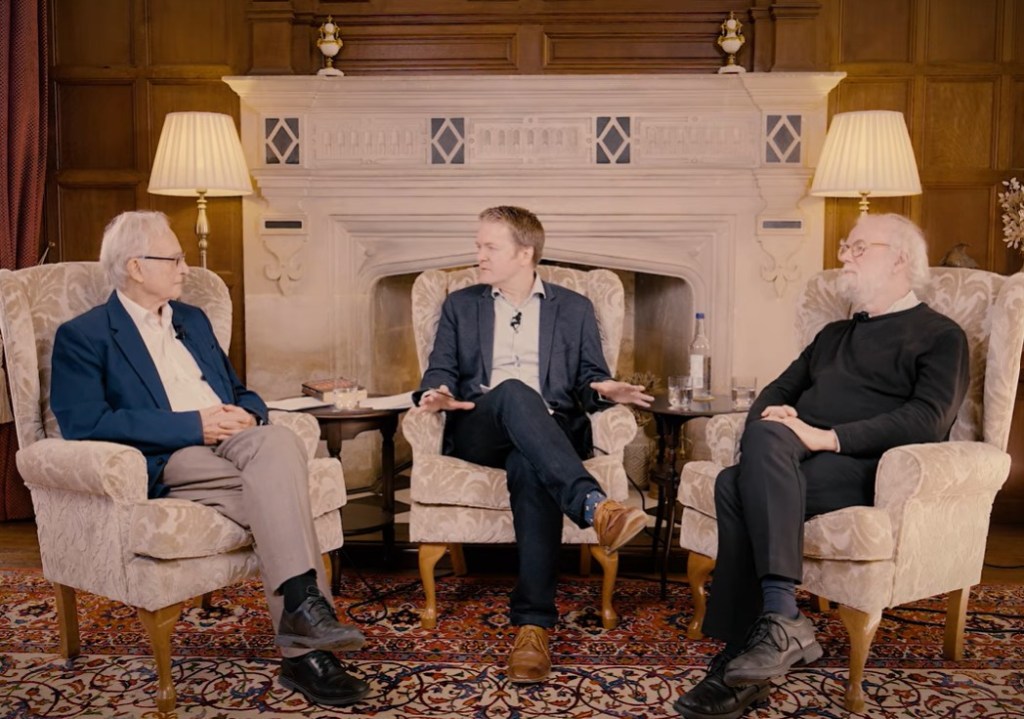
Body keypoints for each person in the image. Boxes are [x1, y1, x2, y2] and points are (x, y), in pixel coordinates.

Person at [50, 211, 370, 708]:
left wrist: (248, 414)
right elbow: (84, 423)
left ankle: (301, 613)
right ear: (135, 266)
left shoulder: (193, 320)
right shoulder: (85, 335)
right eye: (173, 259)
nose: (185, 268)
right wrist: (193, 426)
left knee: (280, 442)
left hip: (234, 440)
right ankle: (305, 648)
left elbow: (240, 390)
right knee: (282, 493)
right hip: (173, 453)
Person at [674, 213, 970, 719]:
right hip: (792, 459)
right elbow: (776, 391)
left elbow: (929, 418)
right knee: (758, 441)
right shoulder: (832, 335)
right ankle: (772, 631)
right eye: (844, 247)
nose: (844, 256)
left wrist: (827, 437)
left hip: (865, 467)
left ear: (900, 259)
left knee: (732, 484)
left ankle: (750, 647)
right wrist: (777, 424)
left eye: (858, 248)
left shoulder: (941, 335)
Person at [414, 205, 654, 684]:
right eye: (479, 246)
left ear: (525, 254)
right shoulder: (461, 304)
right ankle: (595, 506)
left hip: (551, 432)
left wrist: (606, 389)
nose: (479, 256)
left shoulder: (574, 307)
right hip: (480, 425)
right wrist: (434, 393)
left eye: (490, 247)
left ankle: (532, 627)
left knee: (529, 467)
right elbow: (440, 367)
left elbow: (589, 378)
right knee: (513, 392)